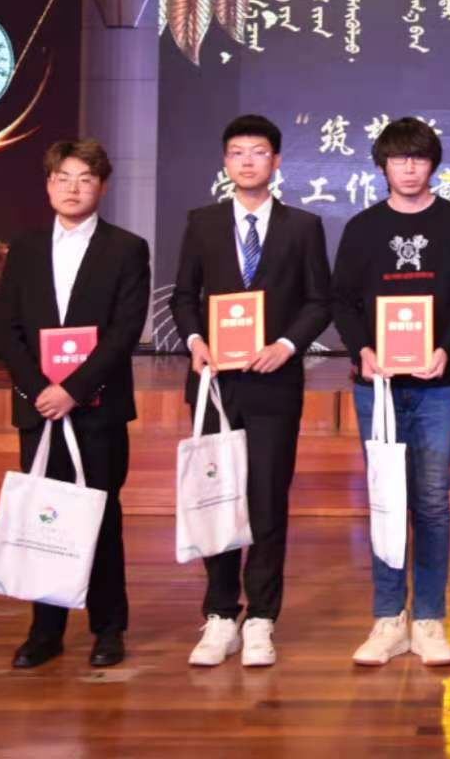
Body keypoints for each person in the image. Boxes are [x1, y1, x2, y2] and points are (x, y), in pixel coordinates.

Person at [171, 114, 333, 668]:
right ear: (225, 162)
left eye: (258, 151)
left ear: (276, 161)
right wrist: (195, 341)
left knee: (266, 499)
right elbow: (184, 296)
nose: (247, 161)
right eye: (237, 152)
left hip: (273, 383)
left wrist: (287, 345)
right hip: (215, 384)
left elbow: (319, 300)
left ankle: (262, 617)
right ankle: (220, 614)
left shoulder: (303, 226)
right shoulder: (202, 223)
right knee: (216, 496)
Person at [330, 117, 450, 667]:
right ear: (383, 165)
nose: (409, 168)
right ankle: (387, 618)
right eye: (399, 158)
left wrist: (449, 347)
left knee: (432, 502)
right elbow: (341, 301)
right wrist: (361, 350)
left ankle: (428, 619)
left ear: (433, 164)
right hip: (377, 387)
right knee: (385, 499)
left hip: (438, 386)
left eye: (419, 158)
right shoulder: (363, 228)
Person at [0, 140, 150, 669]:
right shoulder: (23, 248)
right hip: (40, 408)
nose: (73, 188)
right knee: (47, 516)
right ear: (48, 185)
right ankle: (45, 631)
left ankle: (108, 629)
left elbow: (125, 331)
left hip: (98, 408)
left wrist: (74, 390)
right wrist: (40, 390)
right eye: (63, 177)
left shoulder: (126, 248)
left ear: (102, 187)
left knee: (101, 515)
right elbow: (8, 328)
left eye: (85, 179)